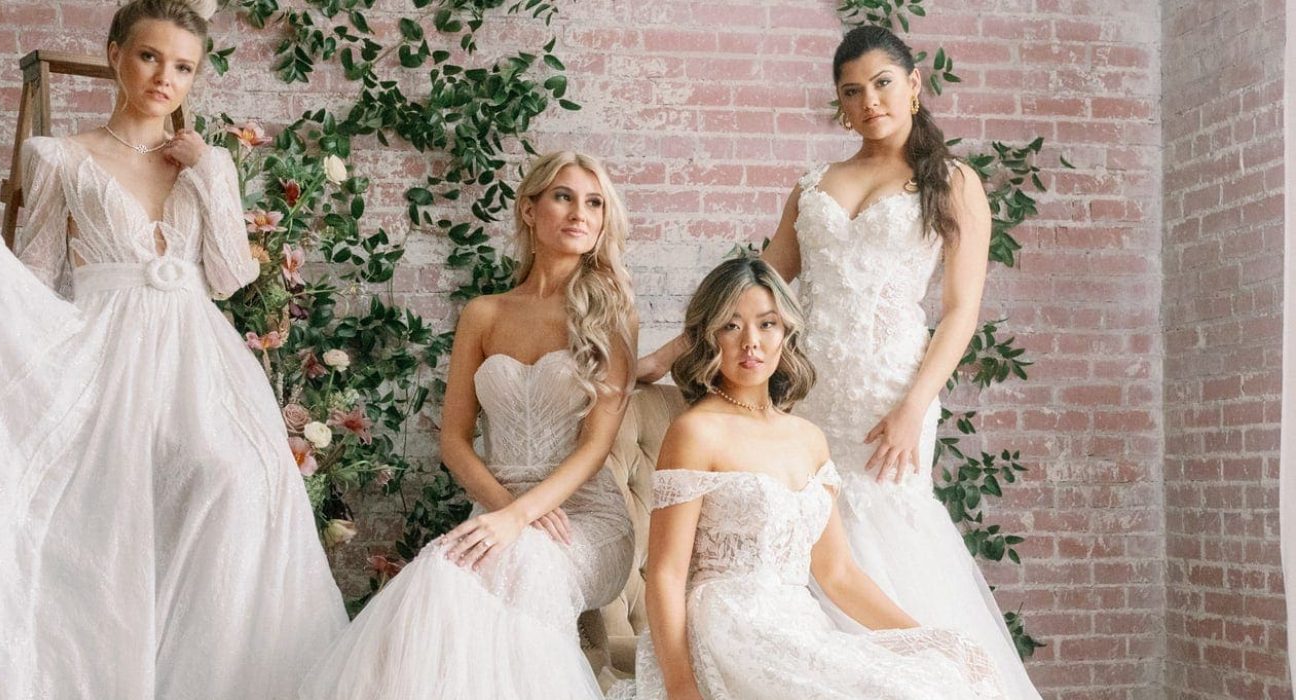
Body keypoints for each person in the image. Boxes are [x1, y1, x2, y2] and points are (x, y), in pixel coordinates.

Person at [0, 2, 346, 697]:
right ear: (115, 55)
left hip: (200, 358)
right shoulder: (62, 157)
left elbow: (231, 276)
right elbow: (34, 276)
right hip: (103, 354)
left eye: (183, 66)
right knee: (103, 521)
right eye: (149, 56)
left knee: (244, 481)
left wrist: (211, 173)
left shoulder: (206, 162)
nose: (164, 77)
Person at [637, 25, 1040, 698]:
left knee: (887, 525)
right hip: (810, 390)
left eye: (883, 83)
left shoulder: (953, 183)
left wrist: (914, 406)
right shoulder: (816, 185)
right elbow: (757, 285)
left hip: (891, 392)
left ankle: (912, 667)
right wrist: (664, 353)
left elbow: (962, 310)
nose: (869, 101)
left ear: (914, 85)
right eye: (851, 92)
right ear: (840, 104)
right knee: (811, 533)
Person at [299, 151, 637, 700]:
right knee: (436, 573)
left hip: (583, 518)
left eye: (595, 203)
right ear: (529, 210)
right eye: (564, 196)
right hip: (499, 506)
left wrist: (522, 517)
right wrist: (506, 510)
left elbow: (595, 447)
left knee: (525, 562)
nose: (581, 213)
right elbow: (454, 441)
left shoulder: (611, 313)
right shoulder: (485, 313)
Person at [610, 257, 1006, 700]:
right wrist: (682, 687)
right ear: (709, 336)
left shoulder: (809, 439)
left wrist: (923, 638)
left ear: (786, 333)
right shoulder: (696, 432)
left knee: (945, 669)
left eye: (767, 324)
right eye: (731, 326)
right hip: (727, 628)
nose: (751, 343)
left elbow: (836, 573)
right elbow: (665, 574)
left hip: (799, 626)